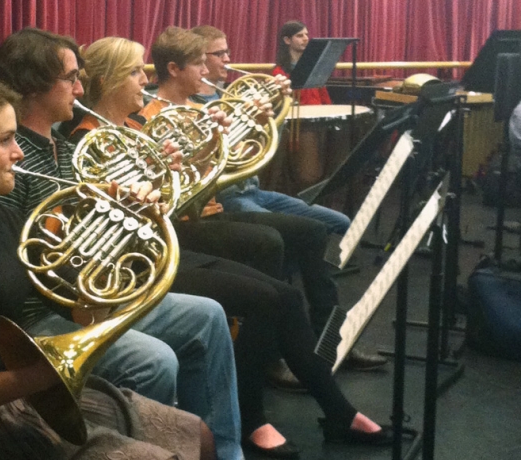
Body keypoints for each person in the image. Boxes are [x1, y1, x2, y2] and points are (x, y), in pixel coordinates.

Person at [71, 34, 396, 459]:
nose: (143, 80)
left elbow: (181, 194)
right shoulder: (89, 139)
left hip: (164, 244)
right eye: (135, 72)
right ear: (112, 80)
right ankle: (268, 414)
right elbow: (126, 219)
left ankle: (331, 406)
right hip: (142, 260)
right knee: (270, 293)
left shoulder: (132, 128)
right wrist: (162, 180)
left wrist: (196, 157)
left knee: (282, 292)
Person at [0, 72, 215, 460]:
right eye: (4, 140)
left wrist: (125, 228)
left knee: (200, 437)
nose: (18, 151)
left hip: (21, 396)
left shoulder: (1, 220)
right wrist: (38, 378)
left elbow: (84, 314)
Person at [0, 28, 243, 460]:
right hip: (40, 315)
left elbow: (86, 227)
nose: (81, 88)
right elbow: (12, 264)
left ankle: (223, 451)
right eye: (71, 78)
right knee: (154, 360)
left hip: (83, 298)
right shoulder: (14, 163)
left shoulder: (63, 152)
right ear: (34, 85)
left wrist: (133, 206)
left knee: (209, 316)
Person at [142, 26, 387, 376]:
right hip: (213, 206)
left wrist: (266, 118)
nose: (224, 62)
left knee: (318, 230)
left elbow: (247, 154)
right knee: (277, 244)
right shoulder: (164, 113)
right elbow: (205, 175)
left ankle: (330, 338)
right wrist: (218, 141)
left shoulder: (206, 101)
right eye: (208, 58)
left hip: (237, 195)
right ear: (176, 68)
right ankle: (278, 348)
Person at [193, 24, 351, 236]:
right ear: (199, 59)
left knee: (340, 222)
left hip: (254, 190)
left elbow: (267, 145)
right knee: (293, 233)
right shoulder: (192, 106)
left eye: (227, 52)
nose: (228, 59)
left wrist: (277, 107)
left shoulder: (229, 98)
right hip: (226, 196)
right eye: (219, 54)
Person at [274, 20, 332, 105]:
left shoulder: (314, 67)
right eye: (299, 36)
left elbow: (324, 98)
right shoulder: (279, 72)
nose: (306, 38)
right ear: (287, 40)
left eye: (306, 34)